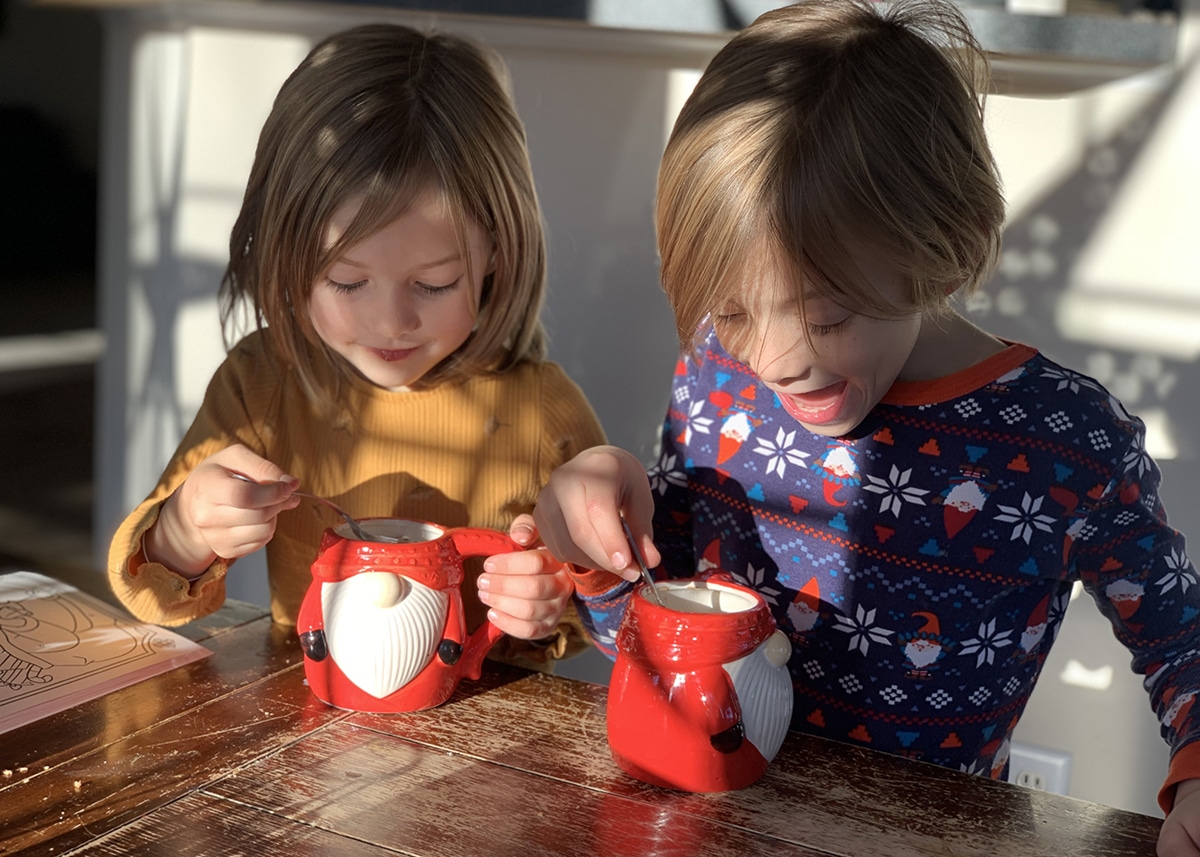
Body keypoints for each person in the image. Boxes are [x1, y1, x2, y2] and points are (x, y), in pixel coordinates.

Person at [491, 0, 1200, 850]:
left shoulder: (1064, 440)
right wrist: (594, 551)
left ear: (941, 240)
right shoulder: (717, 374)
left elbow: (1181, 640)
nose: (779, 359)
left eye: (828, 317)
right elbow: (657, 647)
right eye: (734, 310)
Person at [107, 24, 606, 669]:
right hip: (309, 729)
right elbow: (155, 595)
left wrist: (550, 605)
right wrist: (183, 531)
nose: (391, 321)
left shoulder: (545, 412)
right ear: (287, 257)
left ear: (496, 255)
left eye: (434, 283)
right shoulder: (261, 386)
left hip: (490, 743)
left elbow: (612, 602)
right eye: (347, 280)